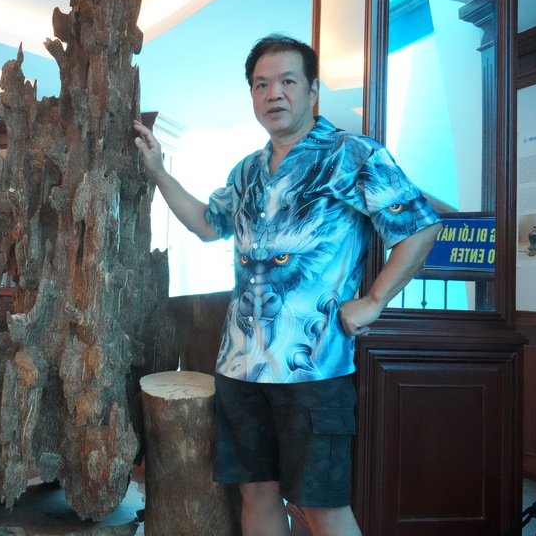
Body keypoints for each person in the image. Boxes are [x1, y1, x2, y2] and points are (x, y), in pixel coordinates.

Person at [134, 34, 442, 536]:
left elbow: (419, 227)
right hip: (240, 367)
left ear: (313, 90)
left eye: (287, 81)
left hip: (313, 369)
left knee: (320, 506)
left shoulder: (353, 155)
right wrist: (158, 174)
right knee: (255, 493)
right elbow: (207, 224)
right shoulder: (248, 170)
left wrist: (374, 301)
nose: (273, 93)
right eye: (261, 84)